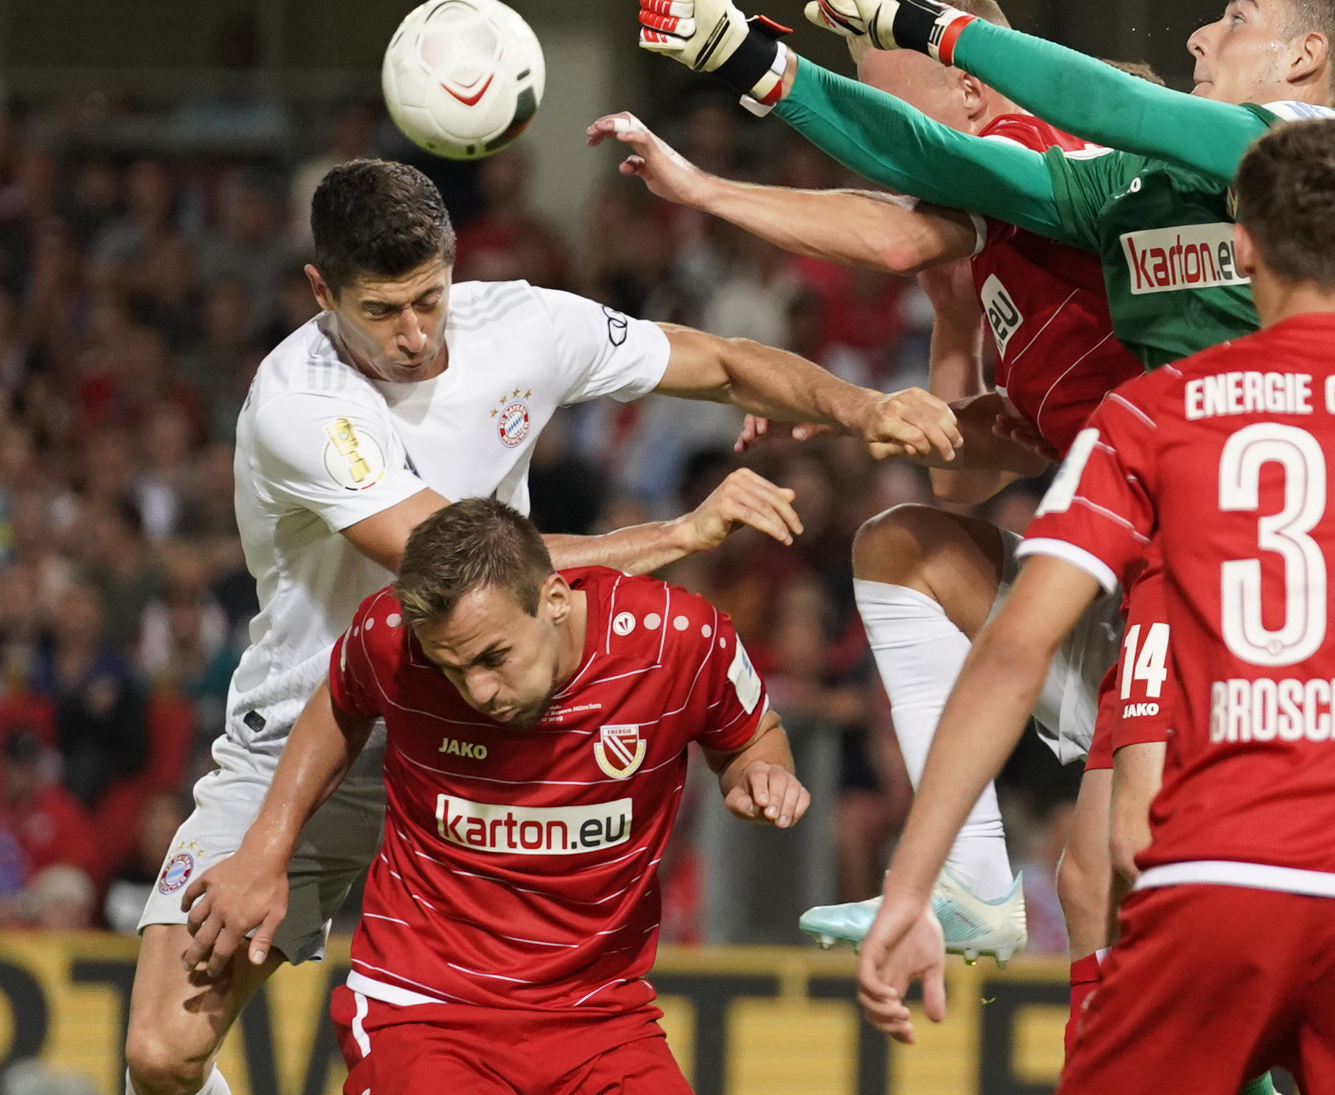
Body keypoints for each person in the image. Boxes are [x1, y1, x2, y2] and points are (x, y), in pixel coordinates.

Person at [122, 157, 960, 1095]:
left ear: (453, 262)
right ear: (322, 291)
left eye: (429, 299)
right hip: (318, 735)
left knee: (535, 1034)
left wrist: (865, 408)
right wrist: (675, 534)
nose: (412, 335)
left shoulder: (516, 323)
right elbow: (460, 560)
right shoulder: (303, 406)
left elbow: (720, 362)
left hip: (495, 720)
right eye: (381, 310)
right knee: (163, 1052)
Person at [855, 117, 1335, 1092]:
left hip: (1213, 889)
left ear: (1244, 246)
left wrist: (915, 884)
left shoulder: (1150, 412)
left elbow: (1012, 651)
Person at [594, 0, 1141, 973]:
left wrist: (704, 188)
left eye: (890, 112)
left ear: (975, 98)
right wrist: (932, 342)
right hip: (1139, 599)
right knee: (901, 546)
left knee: (1105, 879)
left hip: (1213, 600)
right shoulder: (991, 250)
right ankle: (970, 884)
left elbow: (888, 230)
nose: (880, 140)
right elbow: (960, 482)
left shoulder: (1036, 156)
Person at [179, 497, 808, 1093]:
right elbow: (338, 702)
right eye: (453, 668)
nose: (478, 690)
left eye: (493, 656)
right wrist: (266, 849)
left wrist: (761, 771)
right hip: (425, 1009)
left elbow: (753, 736)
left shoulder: (677, 638)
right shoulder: (392, 639)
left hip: (600, 1015)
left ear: (555, 597)